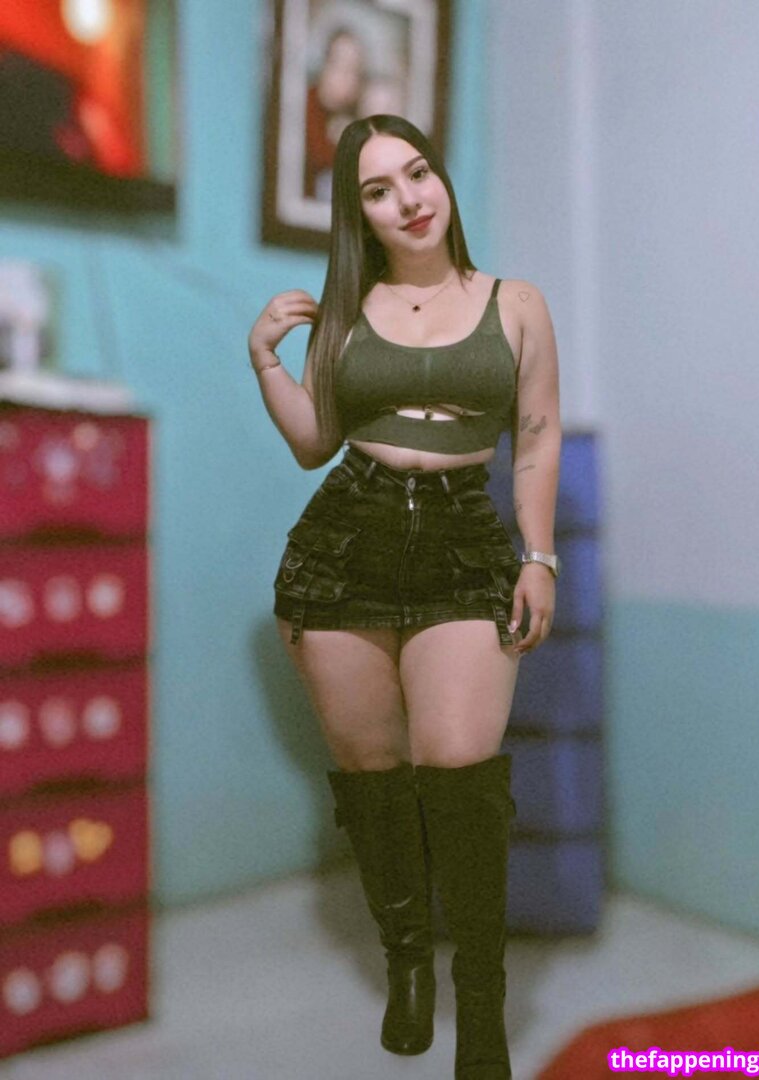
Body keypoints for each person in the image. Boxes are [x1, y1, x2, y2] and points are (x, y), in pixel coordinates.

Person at [248, 113, 560, 1080]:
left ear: (442, 179)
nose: (409, 200)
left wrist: (539, 557)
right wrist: (264, 359)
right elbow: (314, 444)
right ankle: (406, 960)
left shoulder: (516, 303)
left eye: (417, 173)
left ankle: (481, 1003)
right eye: (378, 191)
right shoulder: (346, 312)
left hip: (465, 542)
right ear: (361, 217)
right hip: (347, 541)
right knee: (374, 778)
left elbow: (537, 434)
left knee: (461, 775)